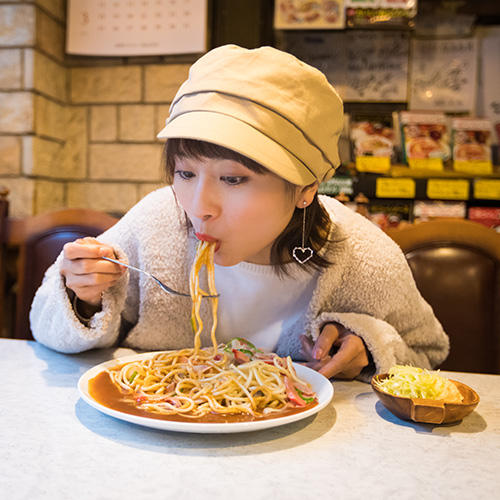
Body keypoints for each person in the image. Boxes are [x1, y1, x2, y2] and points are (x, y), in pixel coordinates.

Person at [30, 45, 449, 381]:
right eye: (185, 172)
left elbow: (429, 353)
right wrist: (80, 296)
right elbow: (49, 330)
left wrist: (370, 346)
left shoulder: (363, 257)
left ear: (306, 188)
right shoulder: (157, 221)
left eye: (233, 179)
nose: (198, 207)